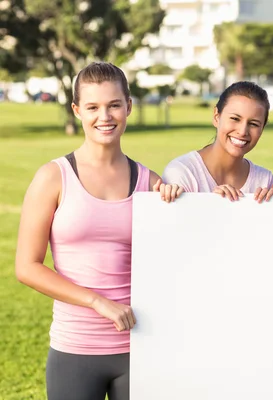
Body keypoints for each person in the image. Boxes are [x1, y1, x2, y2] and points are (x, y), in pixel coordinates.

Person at [15, 62, 181, 400]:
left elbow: (184, 258)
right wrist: (98, 302)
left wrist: (178, 205)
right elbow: (26, 267)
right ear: (77, 110)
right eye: (92, 107)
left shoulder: (151, 183)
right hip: (75, 348)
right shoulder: (53, 177)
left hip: (142, 345)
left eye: (114, 105)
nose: (104, 116)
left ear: (129, 107)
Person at [162, 81, 273, 203]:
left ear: (262, 128)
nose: (243, 131)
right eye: (235, 119)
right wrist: (216, 204)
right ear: (216, 117)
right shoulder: (182, 172)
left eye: (253, 124)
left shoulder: (264, 180)